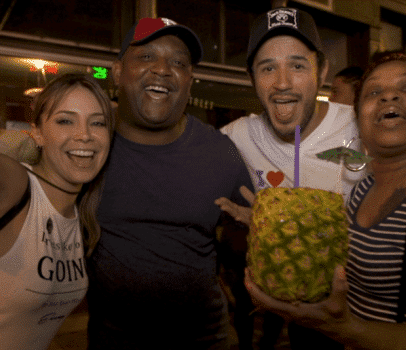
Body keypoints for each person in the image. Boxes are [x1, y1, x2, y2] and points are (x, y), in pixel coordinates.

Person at [244, 53, 406, 350]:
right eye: (374, 92)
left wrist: (347, 330)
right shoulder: (364, 187)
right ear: (360, 120)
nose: (389, 95)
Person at [85, 17, 254, 350]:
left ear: (189, 83)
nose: (162, 69)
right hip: (112, 341)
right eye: (147, 57)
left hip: (204, 340)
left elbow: (243, 242)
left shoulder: (219, 151)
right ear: (118, 72)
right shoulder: (88, 146)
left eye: (178, 62)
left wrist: (262, 231)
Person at [215, 7, 365, 350]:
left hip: (363, 317)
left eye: (298, 65)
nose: (282, 82)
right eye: (268, 68)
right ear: (252, 77)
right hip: (279, 312)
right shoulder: (238, 136)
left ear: (322, 70)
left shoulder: (361, 127)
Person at [0, 73, 114, 350]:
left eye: (97, 122)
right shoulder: (15, 183)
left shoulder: (83, 216)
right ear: (37, 131)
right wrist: (14, 142)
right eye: (65, 120)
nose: (84, 135)